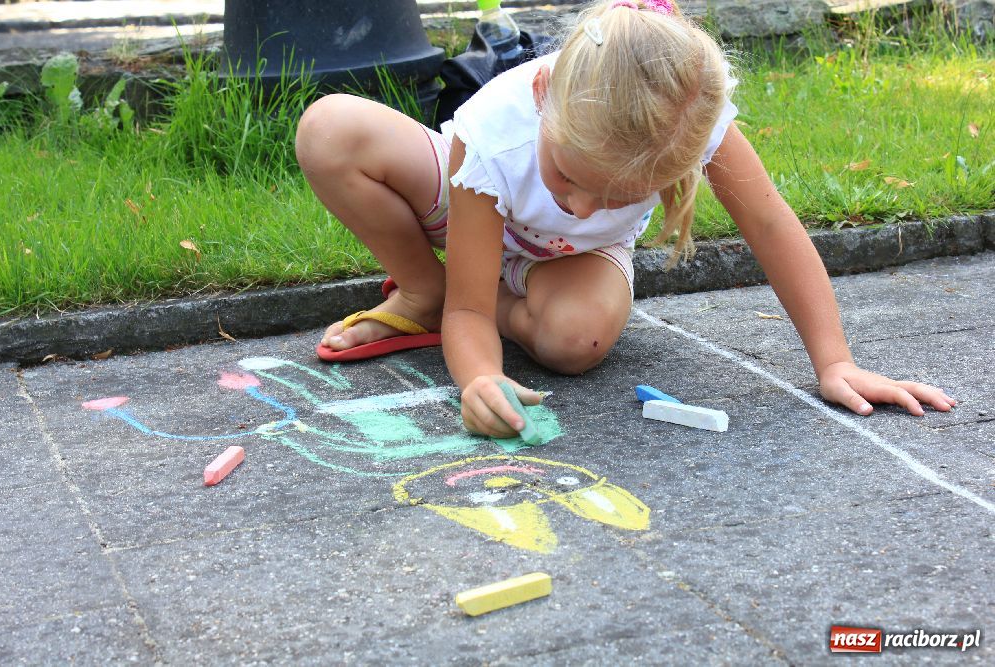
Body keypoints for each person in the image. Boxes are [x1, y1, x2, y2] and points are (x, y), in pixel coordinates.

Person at [294, 0, 955, 439]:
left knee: (575, 341)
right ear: (543, 95)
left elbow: (772, 225)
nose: (581, 207)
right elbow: (470, 315)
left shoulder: (691, 119)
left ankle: (483, 294)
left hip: (574, 261)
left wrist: (834, 360)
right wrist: (478, 378)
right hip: (468, 211)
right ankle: (423, 286)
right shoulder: (494, 131)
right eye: (572, 177)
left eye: (616, 196)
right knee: (329, 130)